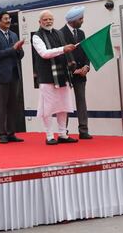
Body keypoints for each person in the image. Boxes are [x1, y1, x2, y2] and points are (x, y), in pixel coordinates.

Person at [32, 10, 78, 145]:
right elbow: (44, 53)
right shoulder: (36, 36)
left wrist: (71, 62)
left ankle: (63, 134)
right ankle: (49, 136)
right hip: (47, 76)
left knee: (63, 106)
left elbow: (66, 51)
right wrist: (63, 49)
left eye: (50, 19)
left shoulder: (59, 33)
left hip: (62, 75)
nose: (48, 22)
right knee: (48, 108)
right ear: (40, 22)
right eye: (45, 19)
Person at [0, 11, 25, 144]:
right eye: (5, 19)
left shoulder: (14, 35)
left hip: (14, 74)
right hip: (1, 76)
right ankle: (1, 134)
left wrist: (19, 50)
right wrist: (13, 49)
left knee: (12, 106)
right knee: (1, 106)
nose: (8, 21)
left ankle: (11, 133)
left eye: (9, 19)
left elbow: (20, 55)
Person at [60, 6, 92, 139]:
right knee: (65, 103)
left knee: (81, 101)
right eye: (80, 19)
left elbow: (86, 51)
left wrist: (86, 66)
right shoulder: (60, 33)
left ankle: (83, 130)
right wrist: (73, 69)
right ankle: (64, 131)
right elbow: (62, 53)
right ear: (73, 21)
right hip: (67, 73)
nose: (82, 21)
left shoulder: (81, 33)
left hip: (81, 73)